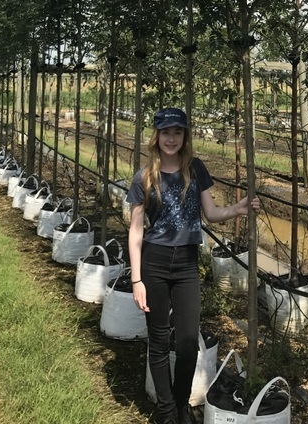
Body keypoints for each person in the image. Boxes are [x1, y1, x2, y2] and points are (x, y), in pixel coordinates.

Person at [127, 107, 261, 424]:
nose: (171, 138)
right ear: (156, 137)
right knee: (159, 342)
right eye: (165, 132)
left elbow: (211, 215)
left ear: (185, 136)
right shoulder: (145, 177)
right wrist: (137, 280)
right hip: (154, 263)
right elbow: (135, 230)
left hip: (187, 264)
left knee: (187, 344)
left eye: (177, 132)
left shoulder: (195, 169)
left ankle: (181, 403)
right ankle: (167, 412)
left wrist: (239, 208)